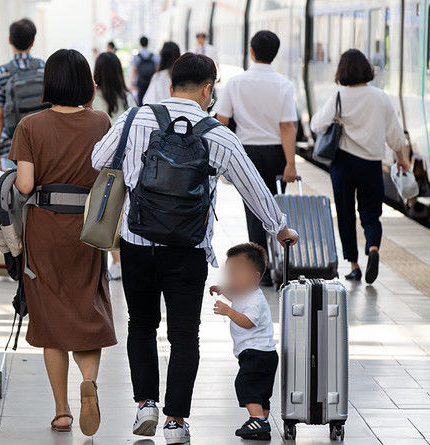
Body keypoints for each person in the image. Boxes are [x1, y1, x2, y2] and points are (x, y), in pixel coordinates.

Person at [92, 53, 299, 444]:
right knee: (185, 334)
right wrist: (280, 229)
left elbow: (97, 159)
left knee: (141, 323)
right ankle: (175, 421)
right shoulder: (217, 134)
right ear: (207, 89)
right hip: (187, 250)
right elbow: (252, 185)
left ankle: (145, 405)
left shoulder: (136, 119)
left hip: (137, 243)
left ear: (171, 87)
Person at [9, 49, 117, 436]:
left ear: (49, 82)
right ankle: (89, 379)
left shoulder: (30, 126)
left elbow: (24, 185)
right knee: (87, 305)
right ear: (85, 83)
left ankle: (62, 410)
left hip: (46, 229)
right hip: (88, 229)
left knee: (51, 316)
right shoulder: (102, 121)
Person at [310, 49, 409, 284]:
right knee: (371, 214)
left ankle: (354, 266)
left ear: (341, 71)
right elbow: (395, 134)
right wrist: (401, 158)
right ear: (367, 68)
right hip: (371, 165)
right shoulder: (380, 97)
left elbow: (317, 125)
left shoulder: (339, 96)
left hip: (343, 164)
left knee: (345, 214)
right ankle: (373, 248)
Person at [214, 30, 298, 286]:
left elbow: (222, 121)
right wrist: (290, 162)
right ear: (275, 53)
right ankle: (278, 260)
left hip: (245, 154)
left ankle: (260, 270)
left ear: (251, 52)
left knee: (254, 210)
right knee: (275, 205)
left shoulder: (235, 83)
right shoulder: (284, 84)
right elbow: (287, 126)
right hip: (275, 153)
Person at [210, 243, 277, 440]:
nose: (232, 279)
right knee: (261, 391)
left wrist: (228, 311)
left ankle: (257, 419)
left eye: (236, 274)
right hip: (261, 353)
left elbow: (248, 322)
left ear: (255, 277)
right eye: (229, 274)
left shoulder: (256, 300)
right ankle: (261, 423)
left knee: (245, 384)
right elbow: (236, 296)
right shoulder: (245, 293)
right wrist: (223, 290)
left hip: (257, 353)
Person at [92, 51, 137, 280]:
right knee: (120, 212)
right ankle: (119, 260)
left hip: (99, 164)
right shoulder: (128, 98)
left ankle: (111, 260)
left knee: (101, 212)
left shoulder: (92, 98)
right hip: (124, 165)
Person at [0, 18, 45, 171]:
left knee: (13, 193)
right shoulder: (44, 69)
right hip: (43, 147)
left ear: (9, 40)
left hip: (11, 149)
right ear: (32, 42)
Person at [131, 36, 159, 105]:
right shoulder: (153, 55)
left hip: (140, 82)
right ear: (148, 43)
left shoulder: (137, 56)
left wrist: (132, 82)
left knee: (140, 100)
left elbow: (134, 70)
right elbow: (157, 68)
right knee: (150, 100)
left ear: (140, 44)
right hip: (151, 81)